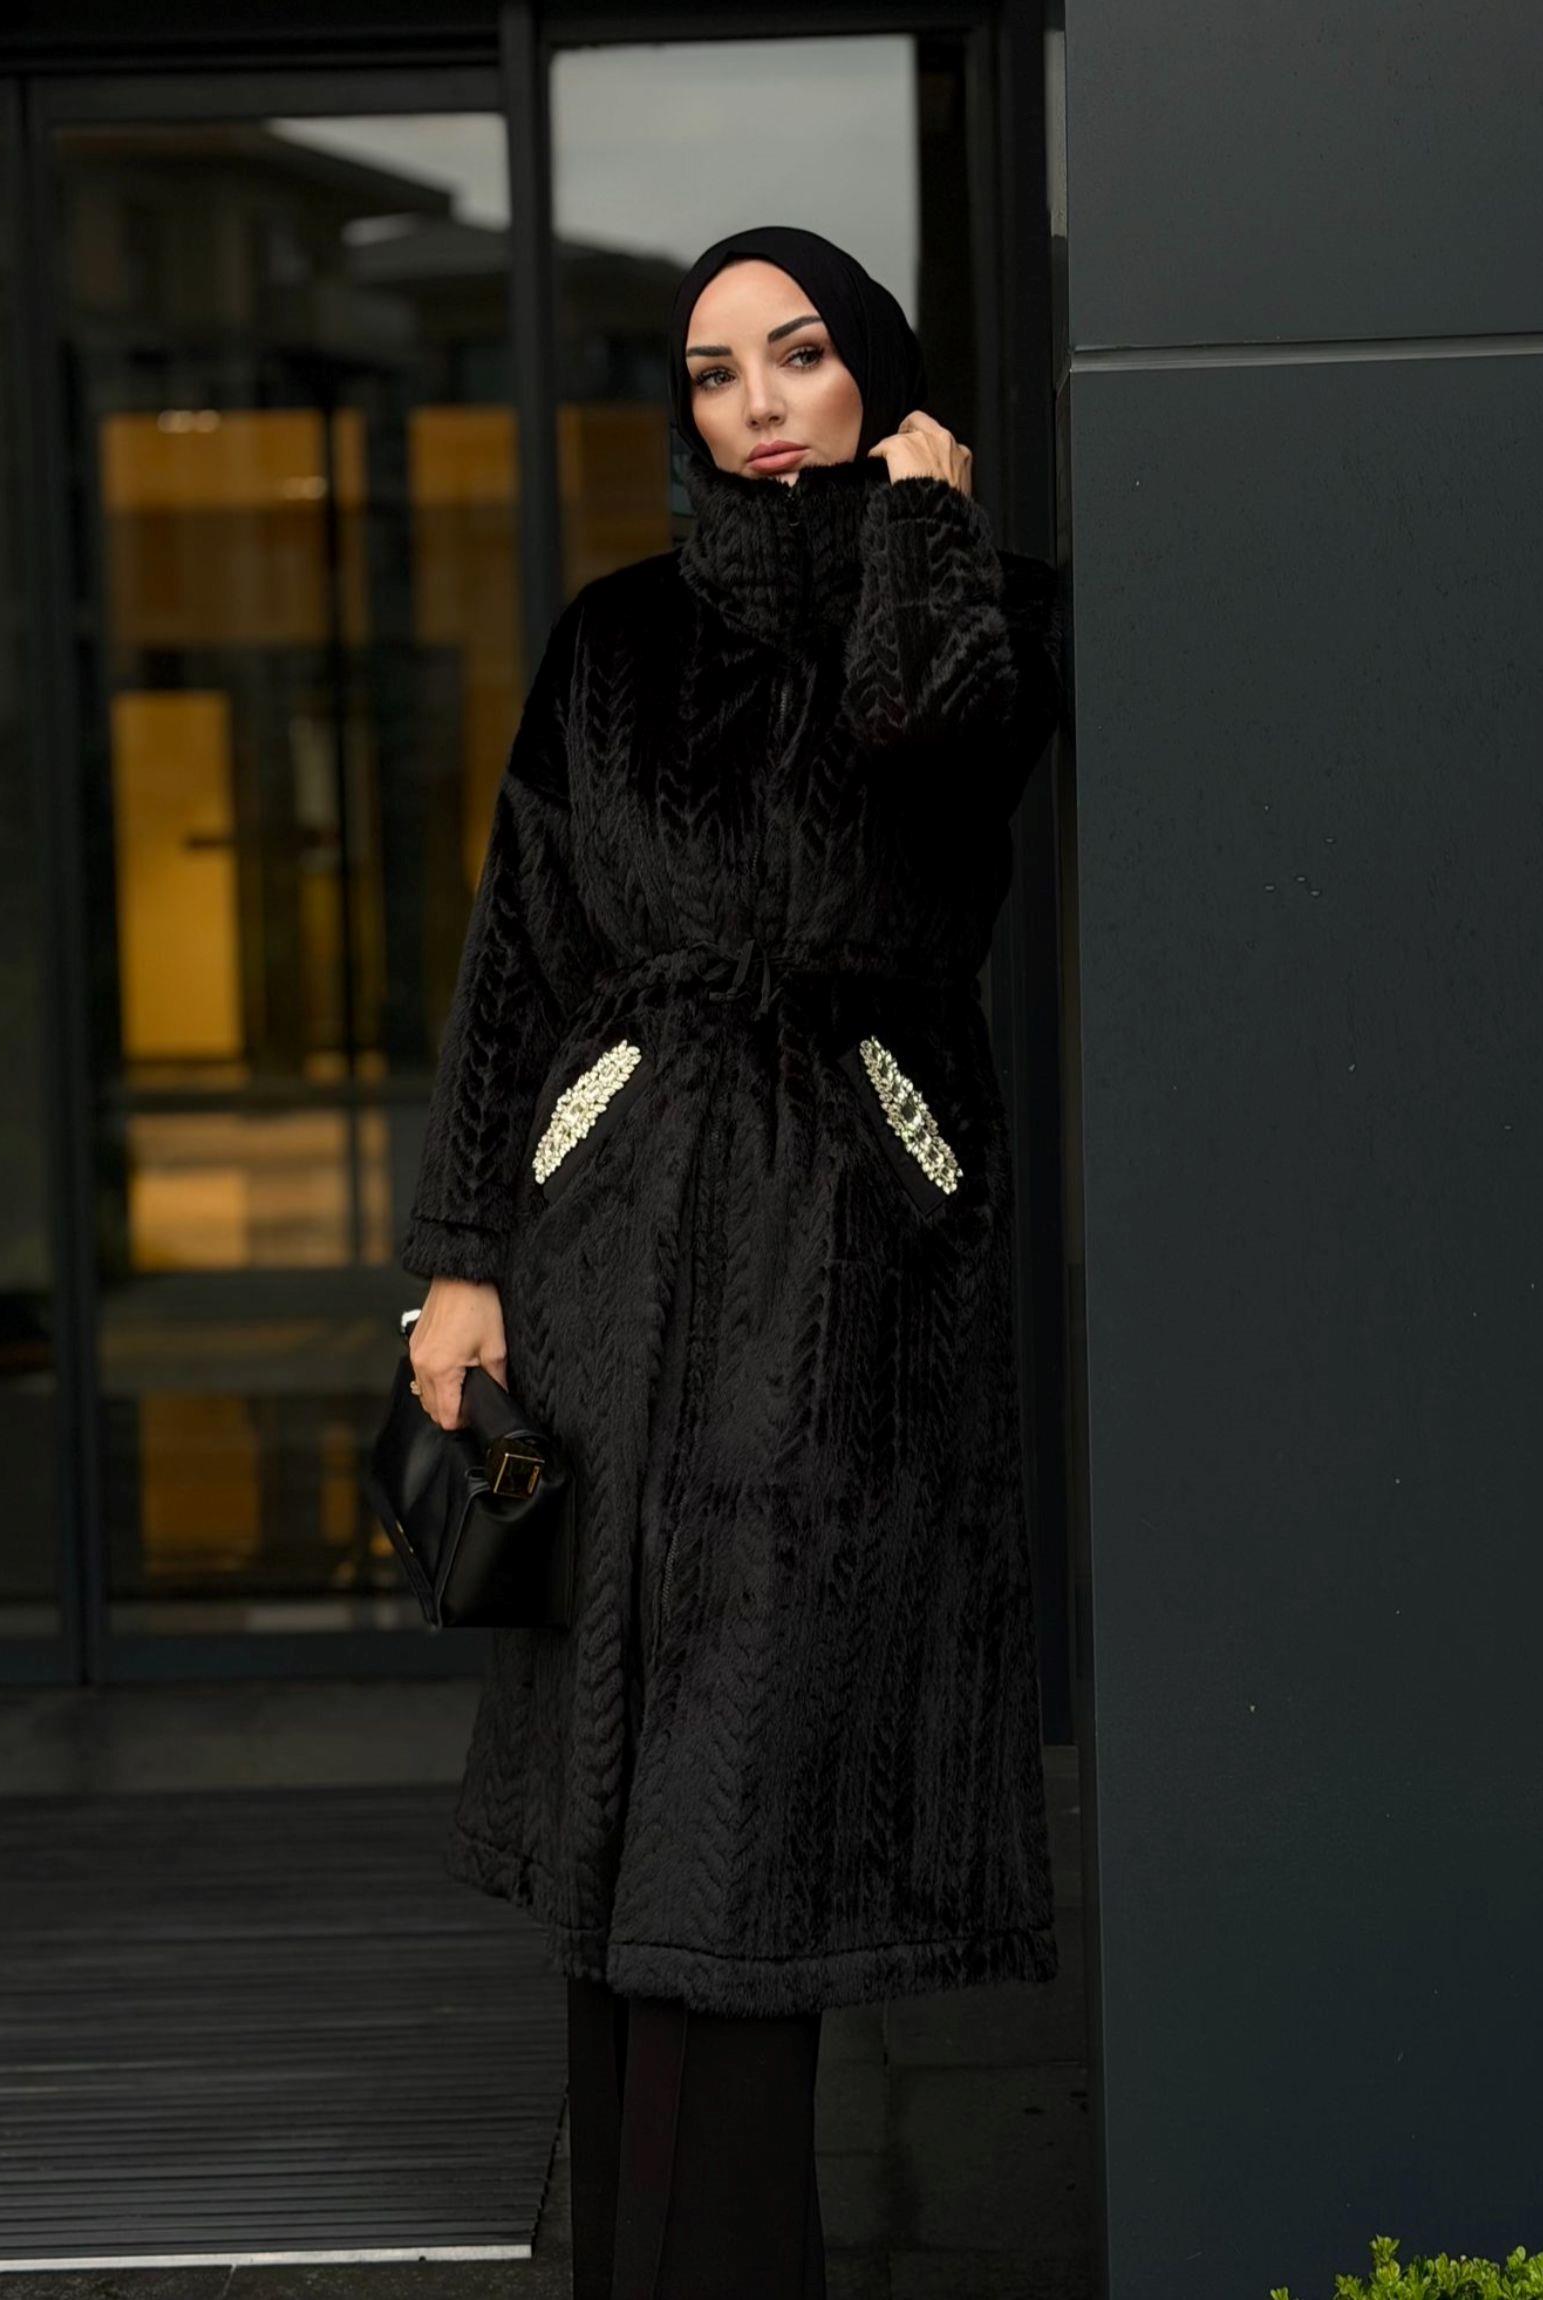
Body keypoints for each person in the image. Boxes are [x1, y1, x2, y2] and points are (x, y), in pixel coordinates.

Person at [399, 223, 1066, 2298]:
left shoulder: (986, 607)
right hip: (610, 1252)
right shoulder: (612, 641)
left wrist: (923, 530)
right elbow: (520, 951)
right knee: (621, 1815)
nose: (757, 403)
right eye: (713, 371)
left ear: (878, 373)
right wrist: (463, 1254)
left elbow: (920, 762)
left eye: (797, 356)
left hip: (842, 1263)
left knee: (747, 1820)